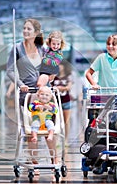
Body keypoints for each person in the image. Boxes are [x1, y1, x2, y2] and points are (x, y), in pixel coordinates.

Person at [6, 18, 58, 166]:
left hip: (45, 95)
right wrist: (21, 84)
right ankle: (34, 163)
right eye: (24, 28)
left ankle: (54, 159)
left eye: (29, 29)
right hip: (27, 95)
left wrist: (50, 75)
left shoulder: (43, 49)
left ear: (36, 33)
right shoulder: (16, 49)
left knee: (50, 128)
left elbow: (52, 67)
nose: (25, 31)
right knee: (31, 130)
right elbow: (10, 70)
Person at [85, 33, 117, 174]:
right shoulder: (102, 58)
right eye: (108, 44)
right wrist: (94, 84)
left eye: (114, 44)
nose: (110, 46)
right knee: (98, 125)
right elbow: (88, 73)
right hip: (103, 97)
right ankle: (97, 155)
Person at [50, 60, 73, 142]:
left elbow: (69, 87)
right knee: (56, 120)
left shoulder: (68, 76)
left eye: (61, 65)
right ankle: (56, 139)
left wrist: (60, 88)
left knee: (66, 121)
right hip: (55, 102)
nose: (59, 67)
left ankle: (66, 139)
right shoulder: (54, 77)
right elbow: (50, 87)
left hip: (66, 100)